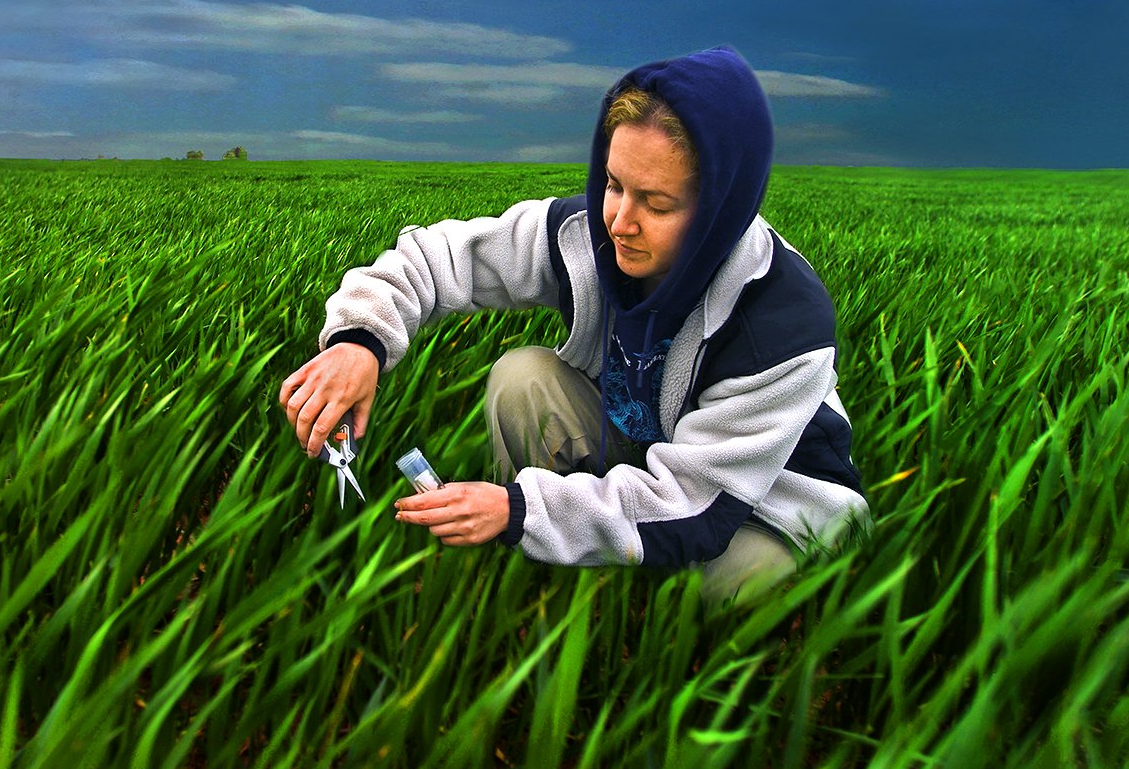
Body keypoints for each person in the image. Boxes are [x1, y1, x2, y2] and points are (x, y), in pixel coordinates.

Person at [279, 46, 867, 605]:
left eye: (657, 205)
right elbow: (436, 258)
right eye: (613, 185)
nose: (620, 222)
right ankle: (559, 578)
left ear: (722, 208)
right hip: (649, 446)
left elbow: (694, 507)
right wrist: (360, 343)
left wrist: (519, 511)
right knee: (522, 376)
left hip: (762, 502)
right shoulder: (582, 234)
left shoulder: (782, 325)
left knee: (714, 591)